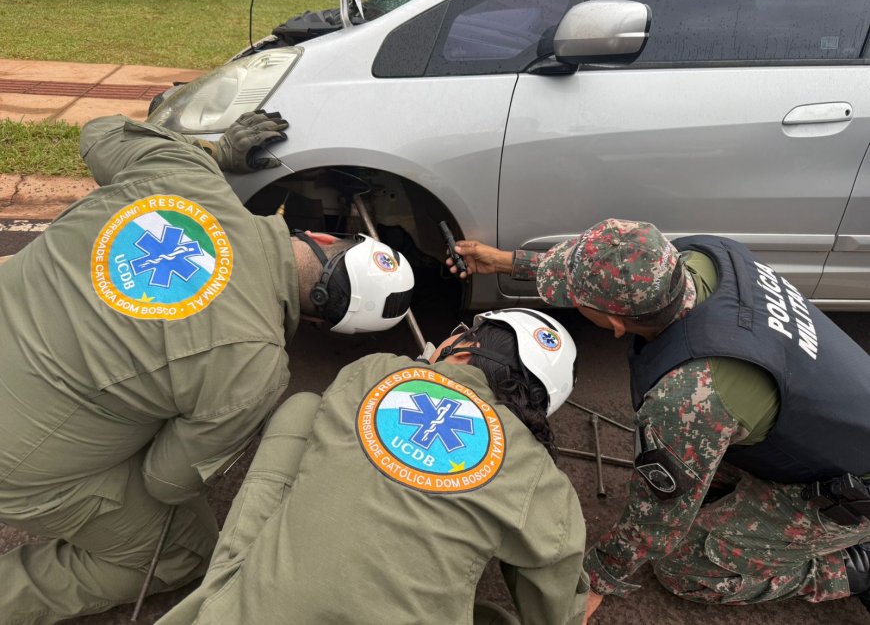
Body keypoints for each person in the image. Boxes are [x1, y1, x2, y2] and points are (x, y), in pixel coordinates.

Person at [0, 111, 415, 625]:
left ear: (323, 239)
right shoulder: (254, 371)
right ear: (316, 319)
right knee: (185, 550)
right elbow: (165, 483)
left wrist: (211, 155)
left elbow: (100, 133)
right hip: (14, 463)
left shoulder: (184, 175)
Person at [447, 219, 870, 619]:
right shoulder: (703, 257)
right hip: (835, 422)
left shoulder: (688, 398)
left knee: (683, 566)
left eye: (577, 301)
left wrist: (598, 577)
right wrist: (508, 262)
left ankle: (849, 568)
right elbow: (610, 263)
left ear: (614, 324)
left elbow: (657, 521)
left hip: (844, 489)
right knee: (703, 469)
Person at [155, 308, 589, 625]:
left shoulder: (378, 369)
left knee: (307, 408)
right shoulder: (540, 477)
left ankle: (224, 591)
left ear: (462, 353)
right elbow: (557, 598)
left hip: (245, 613)